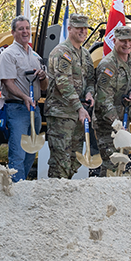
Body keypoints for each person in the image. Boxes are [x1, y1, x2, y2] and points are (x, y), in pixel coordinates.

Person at [0, 15, 48, 182]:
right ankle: (15, 189)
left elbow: (45, 86)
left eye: (27, 28)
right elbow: (8, 83)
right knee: (18, 153)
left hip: (34, 110)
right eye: (21, 29)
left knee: (30, 154)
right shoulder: (8, 54)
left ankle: (23, 186)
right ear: (13, 32)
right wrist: (25, 97)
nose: (25, 31)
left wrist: (42, 76)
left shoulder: (35, 55)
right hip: (17, 109)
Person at [46, 14, 96, 179]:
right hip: (61, 115)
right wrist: (80, 108)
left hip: (78, 116)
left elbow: (90, 79)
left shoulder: (85, 54)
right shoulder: (62, 52)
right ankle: (53, 198)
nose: (83, 31)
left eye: (85, 28)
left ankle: (65, 197)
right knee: (60, 162)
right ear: (69, 29)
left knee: (74, 160)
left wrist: (89, 92)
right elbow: (63, 83)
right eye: (79, 28)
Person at [94, 25, 131, 175]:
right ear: (115, 40)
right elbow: (104, 101)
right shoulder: (107, 66)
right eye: (123, 41)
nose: (127, 44)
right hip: (108, 125)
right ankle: (104, 195)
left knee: (124, 165)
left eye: (130, 40)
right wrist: (118, 127)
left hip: (127, 120)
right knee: (112, 164)